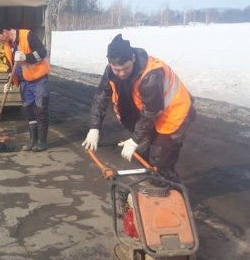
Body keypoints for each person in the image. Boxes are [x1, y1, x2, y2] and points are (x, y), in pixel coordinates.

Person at [82, 34, 195, 182]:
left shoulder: (151, 74)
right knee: (142, 152)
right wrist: (94, 127)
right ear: (110, 63)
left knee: (159, 161)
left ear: (133, 58)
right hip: (152, 115)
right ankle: (155, 185)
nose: (121, 73)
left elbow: (151, 112)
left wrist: (135, 139)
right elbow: (101, 96)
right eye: (117, 70)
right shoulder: (110, 71)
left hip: (174, 115)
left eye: (125, 68)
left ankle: (173, 193)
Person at [0, 23, 50, 152]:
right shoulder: (7, 46)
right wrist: (8, 81)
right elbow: (10, 66)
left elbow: (43, 52)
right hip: (24, 83)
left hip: (39, 80)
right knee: (28, 111)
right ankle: (32, 140)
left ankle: (42, 142)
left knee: (41, 110)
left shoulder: (27, 35)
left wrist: (26, 57)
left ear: (6, 30)